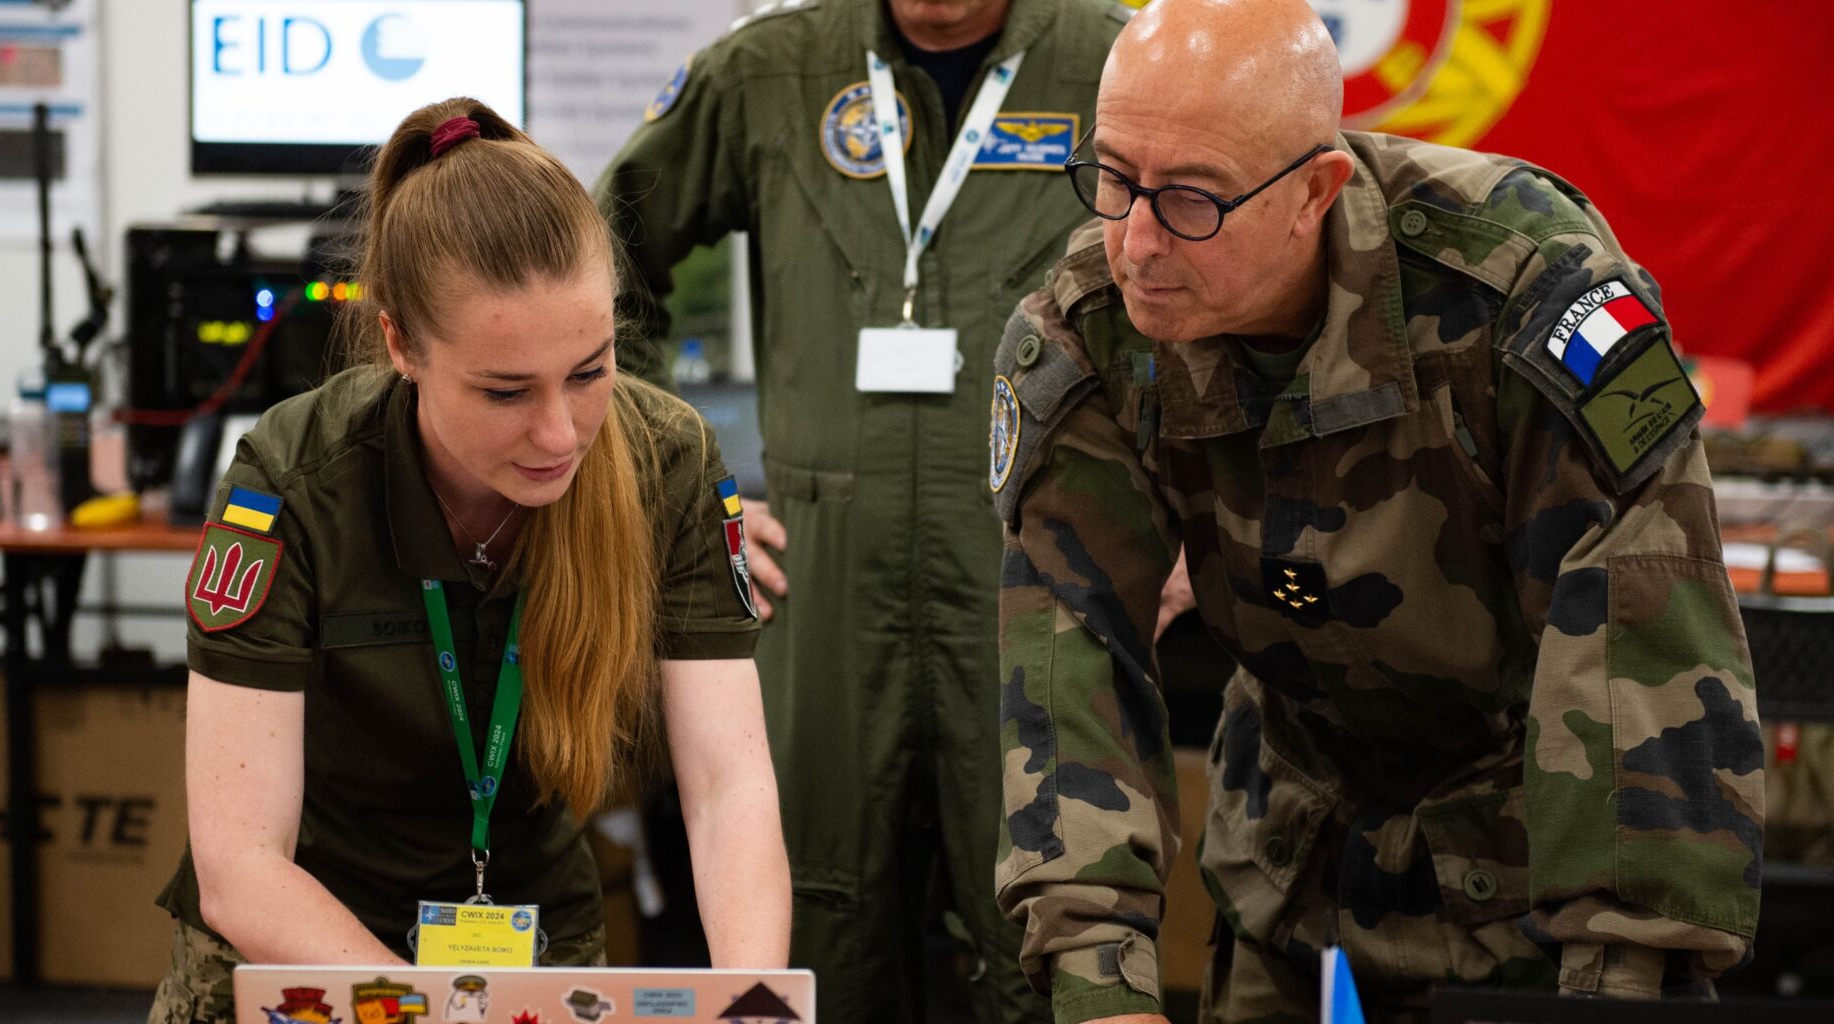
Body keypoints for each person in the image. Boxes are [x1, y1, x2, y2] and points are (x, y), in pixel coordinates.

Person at [990, 1, 1764, 1022]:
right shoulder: (1091, 334)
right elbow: (1068, 660)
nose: (1135, 240)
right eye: (1116, 177)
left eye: (1190, 199)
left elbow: (1642, 638)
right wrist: (1101, 983)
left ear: (1317, 192)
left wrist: (1622, 976)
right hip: (1296, 858)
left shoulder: (1525, 288)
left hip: (1546, 872)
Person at [147, 98, 790, 1024]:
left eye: (590, 370)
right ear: (402, 343)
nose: (559, 433)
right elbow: (241, 866)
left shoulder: (667, 462)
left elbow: (728, 789)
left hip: (532, 947)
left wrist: (752, 998)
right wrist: (413, 1012)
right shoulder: (294, 479)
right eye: (504, 390)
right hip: (307, 944)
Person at [595, 1, 1131, 1021]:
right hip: (822, 590)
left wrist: (1190, 498)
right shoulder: (770, 72)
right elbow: (600, 254)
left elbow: (1212, 282)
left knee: (1048, 931)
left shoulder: (1111, 64)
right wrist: (674, 482)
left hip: (1035, 586)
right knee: (815, 932)